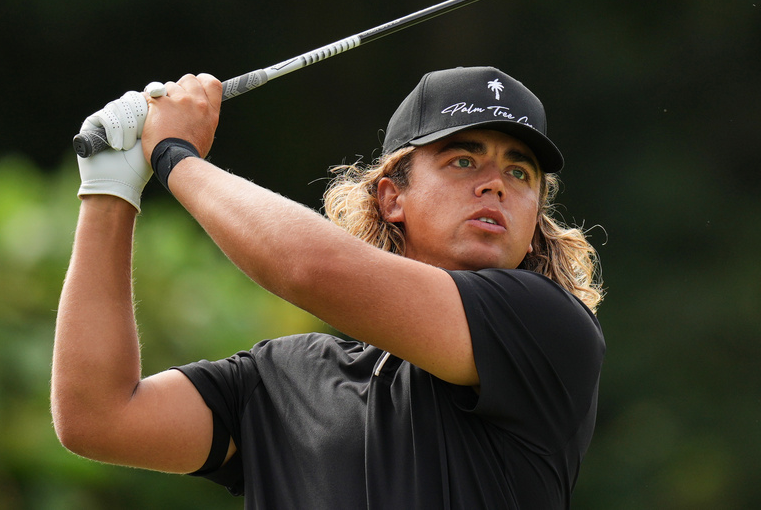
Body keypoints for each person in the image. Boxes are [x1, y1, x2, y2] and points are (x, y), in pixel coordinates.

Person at [51, 65, 605, 508]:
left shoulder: (548, 327)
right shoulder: (281, 379)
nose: (495, 185)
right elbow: (98, 417)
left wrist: (175, 156)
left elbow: (309, 269)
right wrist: (109, 188)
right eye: (463, 160)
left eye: (520, 172)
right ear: (392, 198)